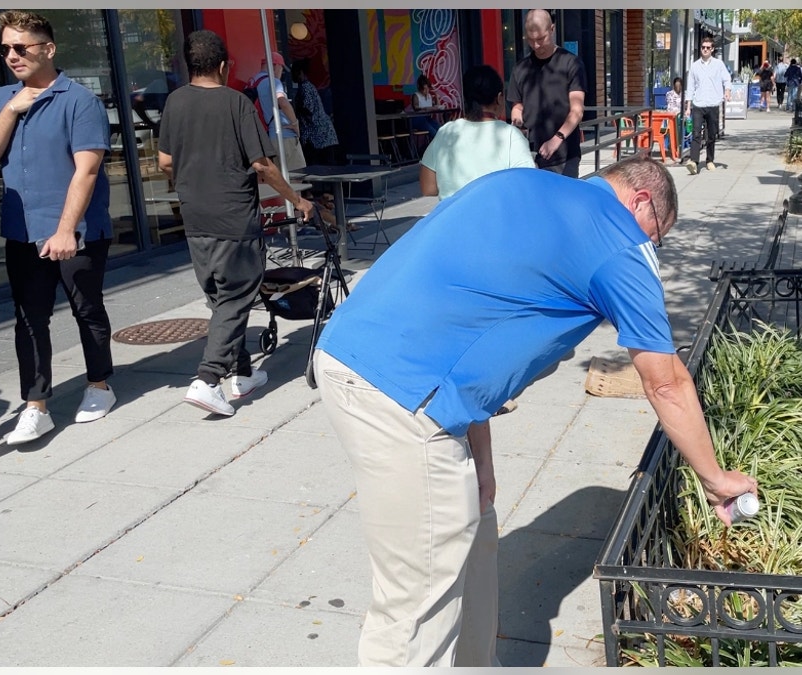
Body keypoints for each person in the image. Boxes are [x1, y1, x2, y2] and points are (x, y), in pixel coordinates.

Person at [314, 156, 757, 666]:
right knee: (415, 607)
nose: (653, 249)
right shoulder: (618, 241)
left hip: (366, 360)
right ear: (640, 201)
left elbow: (471, 310)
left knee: (472, 539)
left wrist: (479, 454)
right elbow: (667, 383)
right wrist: (715, 478)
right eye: (658, 235)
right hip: (399, 392)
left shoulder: (522, 184)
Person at [157, 29, 314, 417]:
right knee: (236, 297)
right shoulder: (236, 103)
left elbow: (163, 162)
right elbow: (262, 164)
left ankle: (241, 373)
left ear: (188, 65)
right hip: (233, 218)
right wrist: (297, 199)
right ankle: (208, 379)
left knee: (221, 299)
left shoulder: (175, 102)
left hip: (195, 218)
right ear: (224, 66)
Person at [0, 10, 118, 445]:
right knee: (29, 319)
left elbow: (87, 172)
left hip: (74, 232)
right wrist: (12, 109)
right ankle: (36, 405)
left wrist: (65, 230)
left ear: (48, 48)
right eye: (4, 48)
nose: (11, 56)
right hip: (21, 231)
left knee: (87, 310)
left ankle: (99, 385)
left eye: (21, 47)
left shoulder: (79, 100)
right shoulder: (1, 98)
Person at [419, 64, 534, 200]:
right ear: (499, 98)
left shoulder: (446, 131)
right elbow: (526, 184)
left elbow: (428, 188)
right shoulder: (510, 135)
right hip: (495, 218)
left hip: (454, 219)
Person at [506, 9, 586, 178]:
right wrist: (517, 115)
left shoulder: (571, 63)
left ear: (552, 29)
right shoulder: (521, 68)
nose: (536, 45)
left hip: (564, 155)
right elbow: (517, 105)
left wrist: (556, 139)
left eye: (540, 39)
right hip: (529, 156)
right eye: (531, 40)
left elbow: (577, 111)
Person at [250, 51, 306, 173]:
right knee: (295, 180)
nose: (281, 73)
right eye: (281, 68)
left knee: (276, 182)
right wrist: (295, 123)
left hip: (267, 138)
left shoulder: (253, 82)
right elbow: (283, 102)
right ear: (274, 65)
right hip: (284, 136)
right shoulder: (273, 81)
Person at [684, 37, 732, 175]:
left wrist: (727, 91)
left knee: (711, 135)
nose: (705, 49)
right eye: (703, 47)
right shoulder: (694, 66)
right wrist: (688, 107)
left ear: (712, 49)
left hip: (712, 104)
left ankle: (710, 160)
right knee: (696, 133)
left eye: (707, 47)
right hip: (698, 104)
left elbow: (726, 79)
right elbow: (690, 87)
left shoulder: (718, 64)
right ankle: (694, 161)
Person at [291, 58, 340, 166]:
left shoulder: (305, 88)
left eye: (294, 72)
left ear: (300, 72)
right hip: (324, 135)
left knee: (320, 167)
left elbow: (309, 109)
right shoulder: (309, 87)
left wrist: (294, 112)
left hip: (318, 136)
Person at [408, 73, 442, 140]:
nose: (426, 91)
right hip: (417, 119)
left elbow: (437, 106)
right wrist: (427, 108)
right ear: (420, 88)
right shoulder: (416, 96)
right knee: (433, 132)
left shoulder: (429, 96)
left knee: (440, 129)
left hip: (427, 118)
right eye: (424, 89)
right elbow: (416, 108)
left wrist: (436, 96)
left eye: (427, 89)